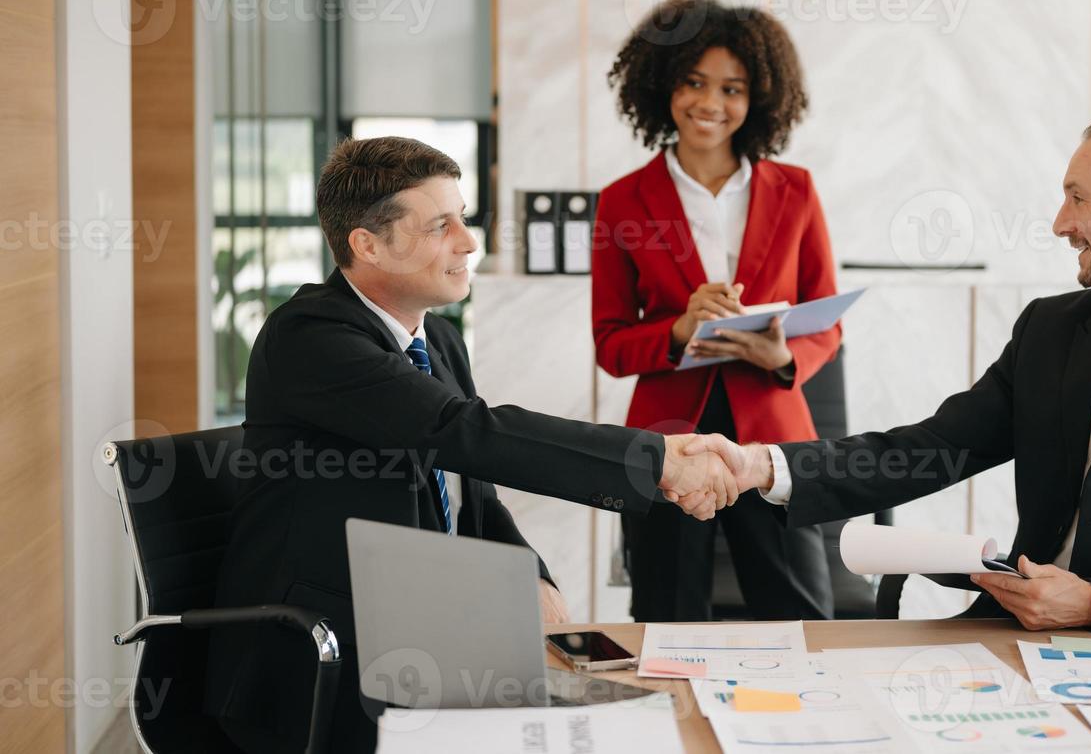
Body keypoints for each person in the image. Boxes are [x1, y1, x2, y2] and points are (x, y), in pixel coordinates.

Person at [205, 136, 736, 754]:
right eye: (439, 225)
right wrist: (659, 460)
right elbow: (460, 432)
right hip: (325, 655)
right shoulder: (309, 336)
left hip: (426, 627)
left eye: (463, 216)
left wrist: (526, 571)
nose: (468, 241)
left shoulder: (440, 340)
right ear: (366, 244)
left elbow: (470, 479)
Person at [696, 113, 1091, 632]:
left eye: (1078, 197)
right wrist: (762, 467)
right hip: (1008, 631)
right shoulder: (1048, 331)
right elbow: (928, 450)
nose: (1059, 222)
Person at [592, 0, 840, 622]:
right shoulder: (623, 202)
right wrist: (679, 328)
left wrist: (782, 355)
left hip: (775, 435)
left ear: (758, 97)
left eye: (732, 88)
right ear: (661, 86)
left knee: (801, 620)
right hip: (670, 440)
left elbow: (827, 320)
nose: (711, 103)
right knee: (667, 621)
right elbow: (612, 345)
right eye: (694, 82)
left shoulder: (797, 190)